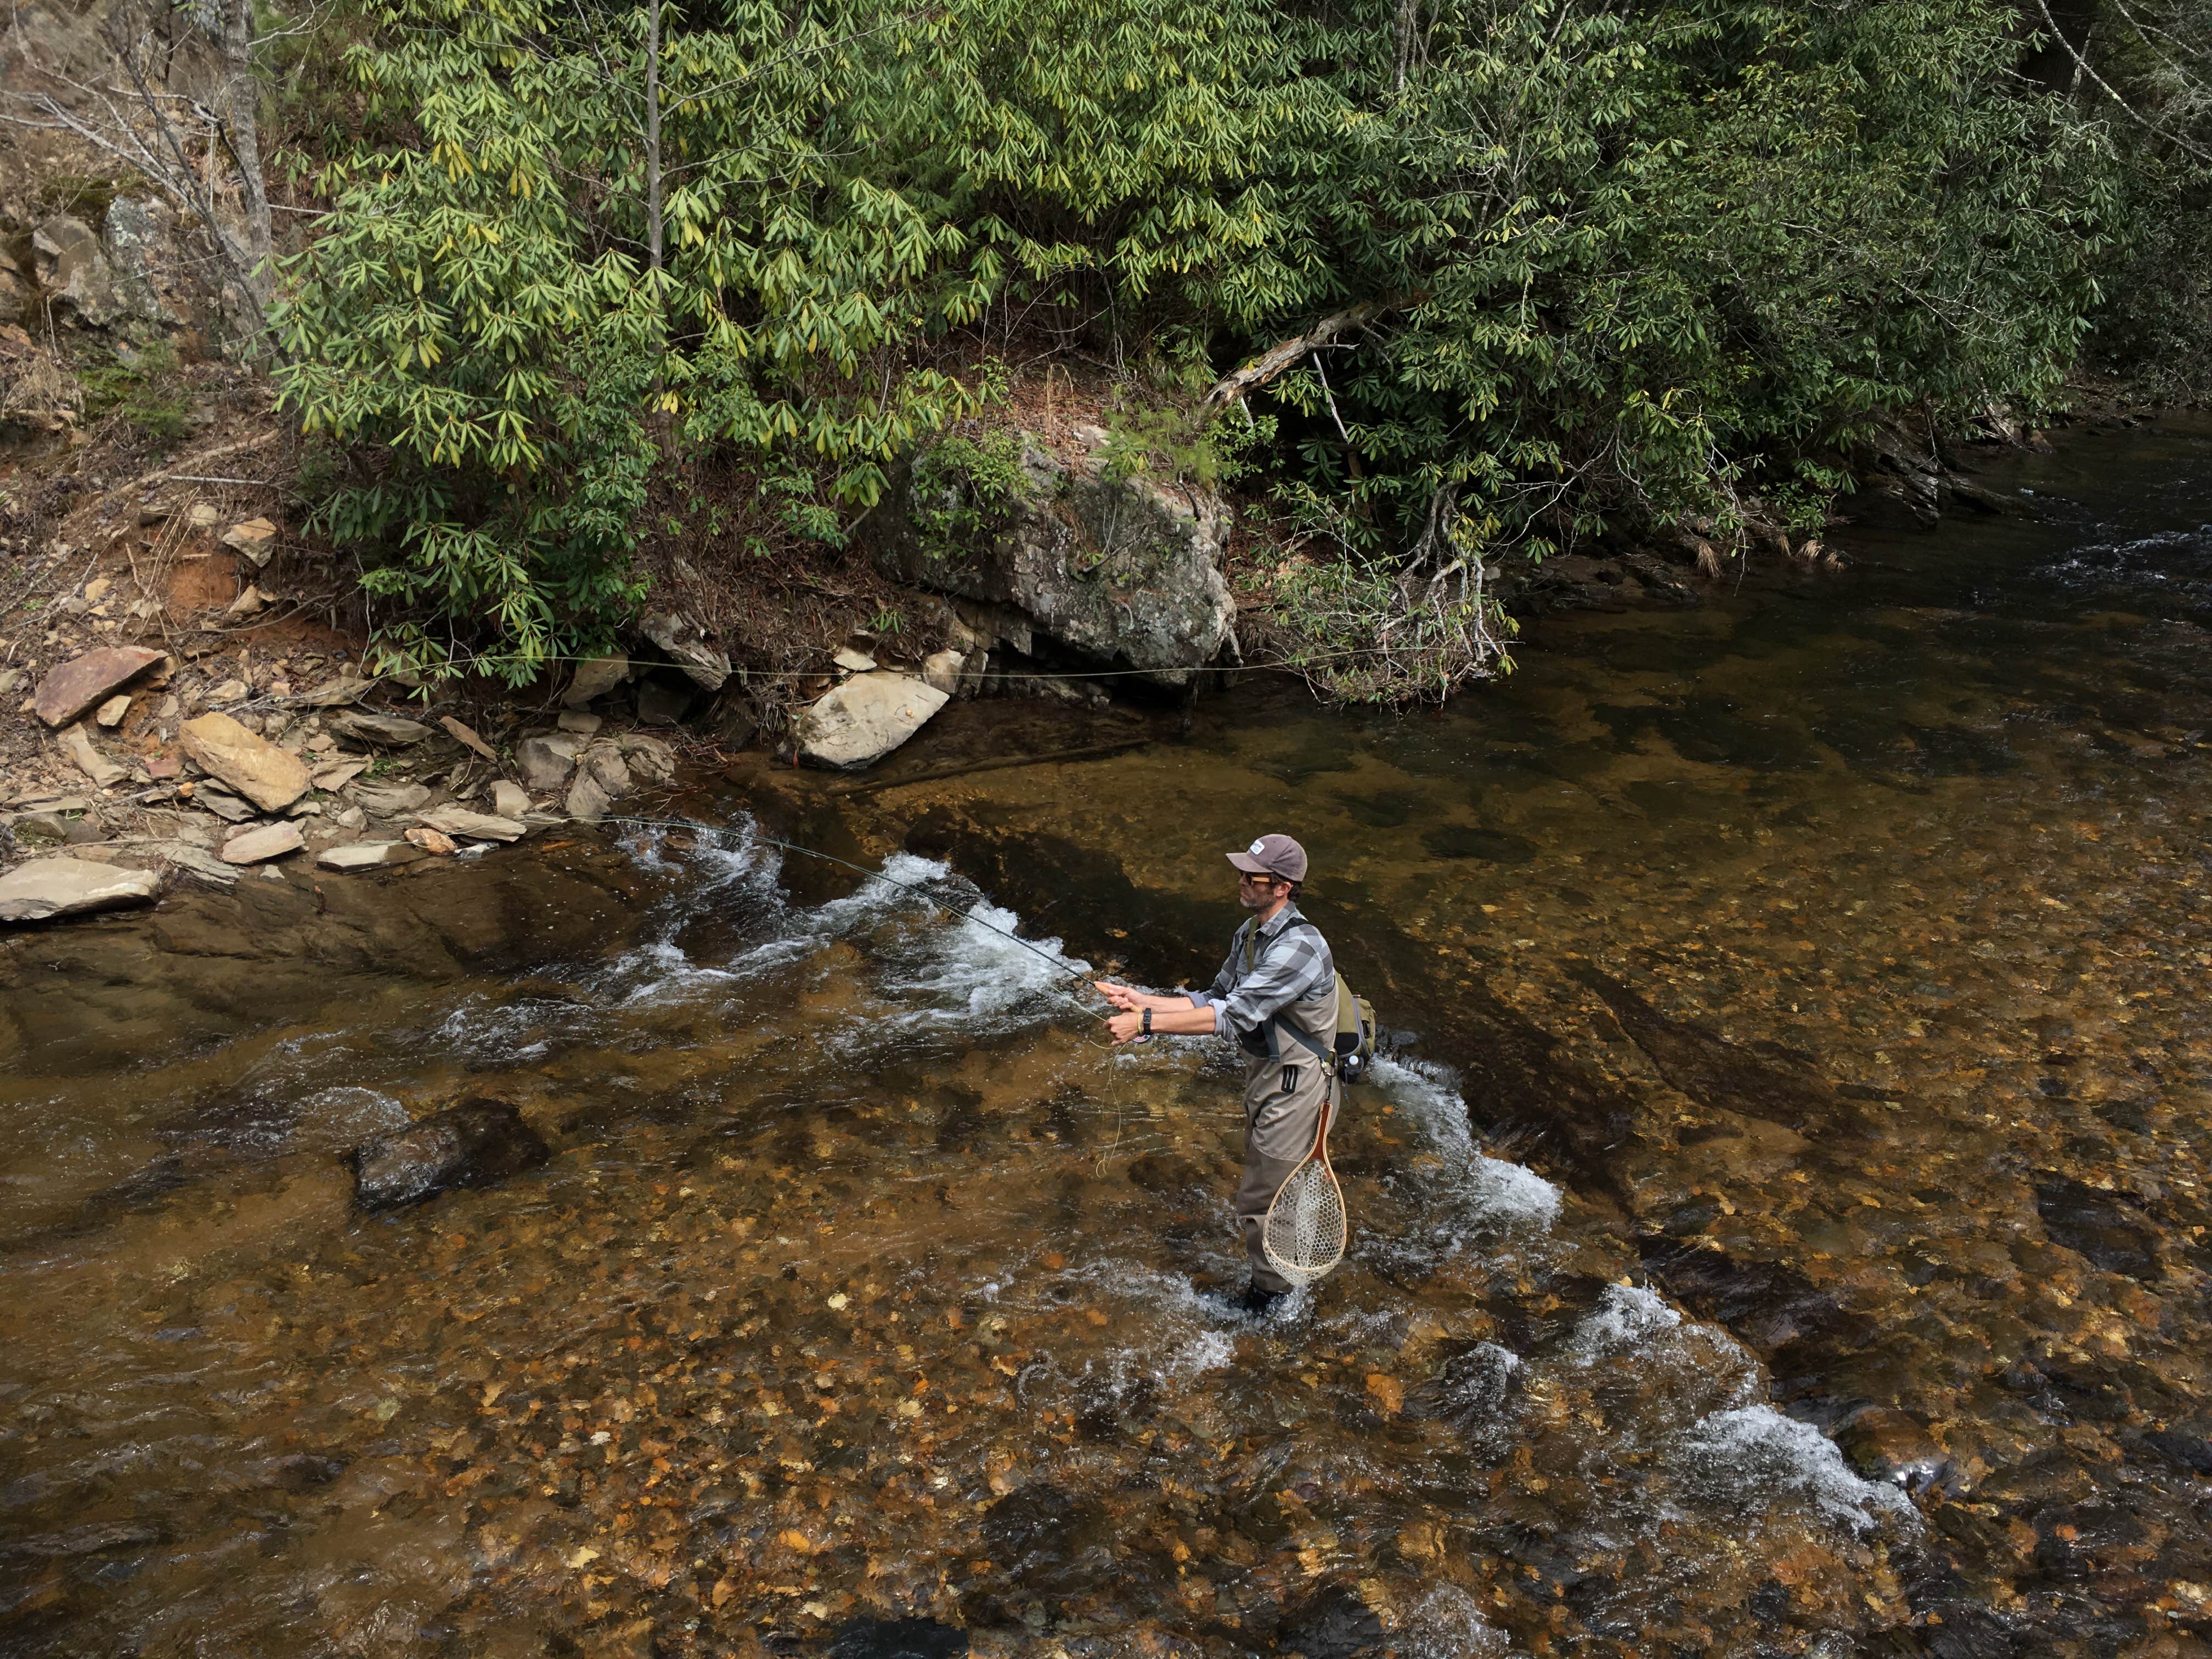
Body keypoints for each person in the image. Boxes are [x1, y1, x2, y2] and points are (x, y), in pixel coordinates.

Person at [1097, 834, 1339, 1314]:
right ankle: (1284, 1280)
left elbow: (1235, 1017)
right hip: (1269, 1076)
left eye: (1254, 876)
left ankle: (1270, 1304)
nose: (1242, 881)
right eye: (1243, 872)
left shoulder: (1301, 948)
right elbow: (1214, 999)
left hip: (1299, 1086)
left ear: (1284, 887)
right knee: (1273, 1186)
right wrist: (1140, 999)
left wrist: (1144, 1024)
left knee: (1263, 1200)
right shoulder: (1251, 933)